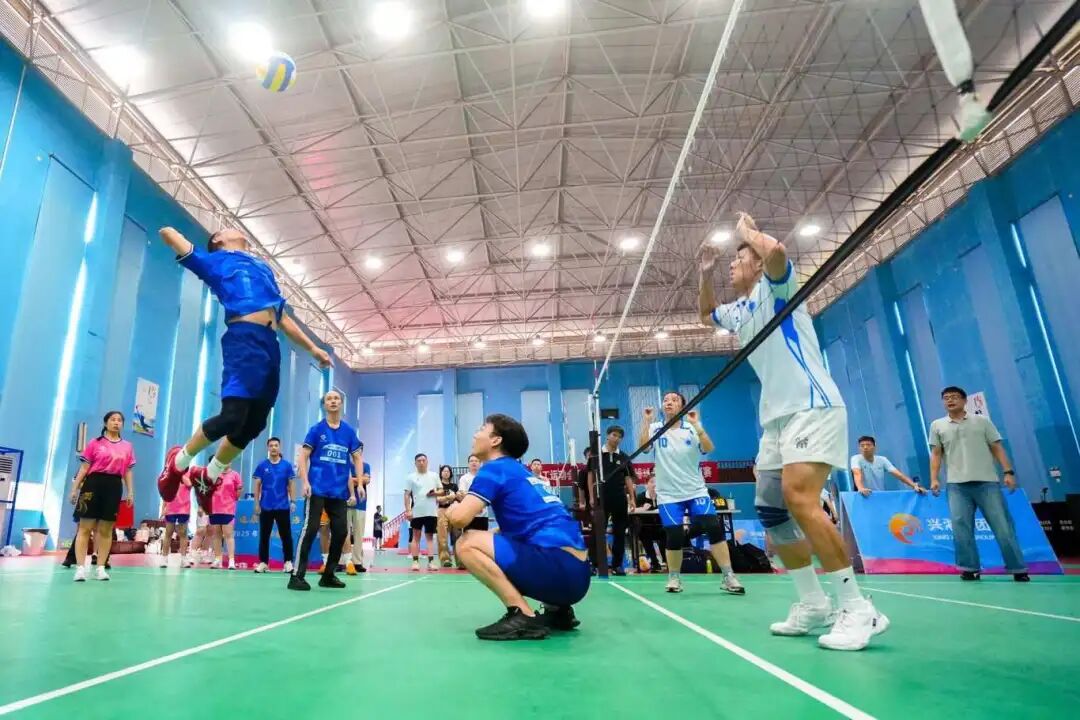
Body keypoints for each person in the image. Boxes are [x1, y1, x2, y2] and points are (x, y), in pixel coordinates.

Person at [700, 211, 885, 651]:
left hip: (811, 405)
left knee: (800, 498)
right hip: (776, 420)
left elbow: (779, 252)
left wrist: (748, 233)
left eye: (738, 259)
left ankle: (858, 608)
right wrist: (705, 273)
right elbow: (706, 314)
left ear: (756, 263)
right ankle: (813, 602)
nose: (732, 266)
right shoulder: (739, 310)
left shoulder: (778, 289)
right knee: (771, 509)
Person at [154, 226, 331, 509]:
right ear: (218, 240)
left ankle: (208, 476)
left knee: (254, 424)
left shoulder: (263, 269)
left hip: (269, 346)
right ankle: (178, 462)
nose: (233, 227)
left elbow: (282, 318)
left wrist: (313, 348)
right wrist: (177, 235)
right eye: (225, 228)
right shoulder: (216, 262)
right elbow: (169, 235)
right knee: (232, 417)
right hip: (243, 340)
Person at [448, 414, 591, 641]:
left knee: (466, 543)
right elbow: (525, 528)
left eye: (481, 429)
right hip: (579, 577)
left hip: (556, 568)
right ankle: (558, 611)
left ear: (496, 440)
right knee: (500, 538)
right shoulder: (522, 473)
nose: (475, 434)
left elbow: (459, 519)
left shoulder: (494, 469)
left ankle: (521, 614)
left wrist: (450, 507)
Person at [639, 395, 744, 595]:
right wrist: (646, 421)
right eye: (666, 400)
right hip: (668, 494)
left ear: (682, 406)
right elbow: (644, 448)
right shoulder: (655, 428)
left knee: (713, 526)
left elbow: (709, 448)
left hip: (695, 490)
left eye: (674, 399)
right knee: (674, 534)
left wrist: (697, 425)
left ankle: (729, 575)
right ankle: (674, 577)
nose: (668, 402)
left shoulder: (691, 427)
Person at [929, 386, 1029, 582]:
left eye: (954, 397)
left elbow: (996, 447)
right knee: (961, 528)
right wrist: (934, 478)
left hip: (987, 483)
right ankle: (969, 568)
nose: (950, 400)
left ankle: (1018, 568)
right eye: (946, 398)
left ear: (964, 400)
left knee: (1003, 526)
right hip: (957, 486)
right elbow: (936, 454)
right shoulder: (937, 425)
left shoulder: (982, 421)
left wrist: (1008, 472)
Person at [289, 389, 364, 591]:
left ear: (341, 404)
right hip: (317, 489)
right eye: (329, 399)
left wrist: (359, 484)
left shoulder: (349, 432)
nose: (333, 401)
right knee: (310, 529)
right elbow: (303, 456)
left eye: (336, 398)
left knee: (341, 532)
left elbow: (357, 457)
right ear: (324, 405)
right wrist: (305, 482)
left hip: (338, 492)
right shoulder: (316, 430)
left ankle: (329, 575)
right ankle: (296, 576)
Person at [70, 411, 135, 582]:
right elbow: (84, 468)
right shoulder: (95, 443)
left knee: (106, 530)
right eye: (113, 420)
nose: (116, 422)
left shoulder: (127, 446)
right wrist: (74, 489)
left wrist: (130, 491)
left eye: (119, 420)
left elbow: (128, 471)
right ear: (106, 423)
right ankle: (80, 568)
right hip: (93, 484)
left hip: (114, 486)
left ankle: (100, 568)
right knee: (85, 528)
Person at [588, 426, 636, 576]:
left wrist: (632, 498)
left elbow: (628, 478)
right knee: (598, 532)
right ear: (607, 436)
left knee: (620, 532)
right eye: (614, 435)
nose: (617, 438)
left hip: (619, 498)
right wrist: (591, 496)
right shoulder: (596, 455)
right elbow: (590, 476)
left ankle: (617, 565)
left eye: (619, 436)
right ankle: (594, 564)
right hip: (601, 498)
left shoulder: (624, 457)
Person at [253, 437, 296, 574]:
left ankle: (288, 562)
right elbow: (257, 485)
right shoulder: (262, 466)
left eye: (276, 445)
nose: (273, 448)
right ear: (268, 448)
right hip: (266, 506)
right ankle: (263, 563)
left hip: (282, 506)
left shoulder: (287, 466)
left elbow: (291, 484)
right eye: (271, 445)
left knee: (286, 536)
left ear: (279, 447)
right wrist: (256, 503)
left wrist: (293, 501)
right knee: (264, 536)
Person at [851, 436, 924, 496]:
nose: (865, 447)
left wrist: (914, 485)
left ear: (874, 447)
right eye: (862, 446)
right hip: (863, 495)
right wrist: (861, 488)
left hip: (879, 495)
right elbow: (857, 473)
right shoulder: (855, 458)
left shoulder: (882, 459)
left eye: (868, 445)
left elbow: (898, 474)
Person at [405, 453, 440, 572]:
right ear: (415, 463)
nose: (421, 462)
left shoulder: (434, 476)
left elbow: (441, 490)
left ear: (427, 462)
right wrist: (408, 510)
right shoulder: (410, 477)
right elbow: (407, 494)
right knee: (416, 537)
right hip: (416, 511)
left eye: (423, 460)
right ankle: (415, 561)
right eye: (419, 461)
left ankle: (431, 562)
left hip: (431, 512)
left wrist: (434, 493)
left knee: (430, 537)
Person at [209, 466, 242, 569]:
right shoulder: (214, 473)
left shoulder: (235, 475)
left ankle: (231, 560)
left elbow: (239, 489)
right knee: (216, 534)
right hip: (214, 508)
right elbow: (207, 489)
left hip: (228, 508)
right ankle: (218, 559)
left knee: (228, 534)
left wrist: (232, 499)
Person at [161, 472, 194, 568]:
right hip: (171, 508)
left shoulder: (189, 475)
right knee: (168, 533)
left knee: (183, 533)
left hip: (184, 508)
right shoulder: (169, 474)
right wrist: (164, 508)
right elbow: (165, 492)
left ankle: (183, 559)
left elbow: (189, 484)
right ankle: (164, 559)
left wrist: (180, 474)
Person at [634, 477, 665, 573]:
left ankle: (667, 561)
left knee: (667, 532)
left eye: (657, 482)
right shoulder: (641, 497)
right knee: (644, 534)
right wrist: (642, 509)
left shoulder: (662, 497)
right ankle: (655, 563)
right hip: (645, 527)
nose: (654, 485)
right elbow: (632, 510)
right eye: (651, 482)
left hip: (660, 526)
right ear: (646, 484)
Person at [346, 462, 371, 575]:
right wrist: (359, 480)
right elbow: (342, 480)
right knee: (343, 533)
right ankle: (342, 561)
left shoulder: (365, 466)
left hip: (361, 504)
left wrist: (351, 480)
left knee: (359, 534)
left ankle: (357, 562)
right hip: (344, 502)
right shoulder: (345, 463)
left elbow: (367, 480)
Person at [435, 464, 460, 568]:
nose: (446, 473)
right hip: (441, 511)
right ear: (441, 473)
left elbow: (458, 498)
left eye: (448, 471)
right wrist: (449, 497)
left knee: (457, 535)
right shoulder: (438, 486)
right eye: (444, 471)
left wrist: (454, 497)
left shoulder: (454, 486)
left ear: (450, 474)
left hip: (454, 510)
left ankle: (460, 561)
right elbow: (437, 499)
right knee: (442, 536)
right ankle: (445, 559)